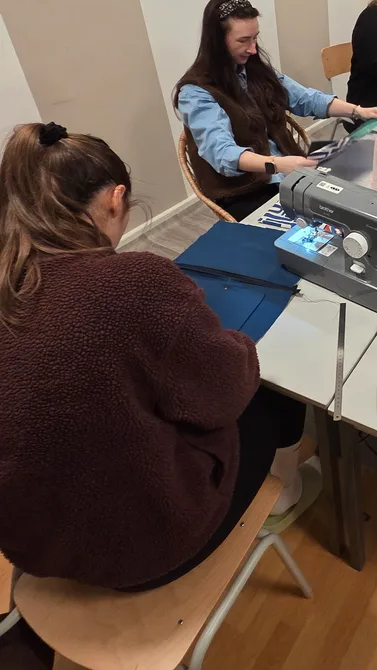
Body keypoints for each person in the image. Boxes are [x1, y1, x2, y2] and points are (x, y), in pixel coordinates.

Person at [0, 122, 316, 590]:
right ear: (115, 198)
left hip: (33, 546)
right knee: (268, 403)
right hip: (143, 551)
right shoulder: (133, 283)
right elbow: (227, 389)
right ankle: (290, 493)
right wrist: (238, 346)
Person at [176, 0, 377, 222]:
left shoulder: (255, 69)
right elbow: (223, 154)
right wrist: (279, 165)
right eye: (243, 41)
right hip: (246, 189)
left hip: (287, 172)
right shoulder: (195, 93)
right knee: (332, 221)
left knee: (360, 189)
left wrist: (357, 111)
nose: (253, 49)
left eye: (255, 38)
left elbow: (305, 99)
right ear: (217, 41)